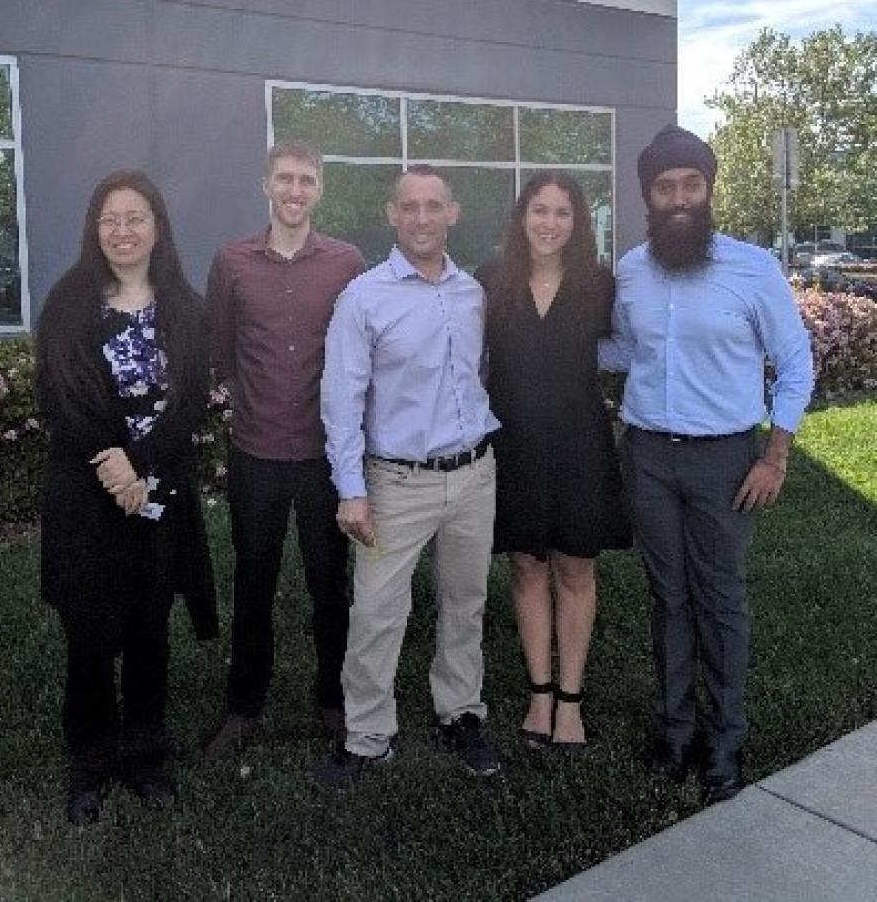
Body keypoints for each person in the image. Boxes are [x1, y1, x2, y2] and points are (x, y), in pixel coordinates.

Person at [600, 125, 814, 802]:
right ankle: (675, 728)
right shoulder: (631, 268)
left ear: (709, 188)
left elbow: (796, 361)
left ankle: (725, 737)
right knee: (667, 596)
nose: (679, 197)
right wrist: (542, 347)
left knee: (720, 598)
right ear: (647, 197)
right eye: (665, 187)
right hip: (649, 456)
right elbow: (626, 353)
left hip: (726, 459)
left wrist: (775, 455)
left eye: (691, 183)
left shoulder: (752, 267)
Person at [36, 170, 217, 826]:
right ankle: (89, 764)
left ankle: (145, 756)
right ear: (95, 228)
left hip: (158, 493)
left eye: (136, 217)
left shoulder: (186, 308)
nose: (123, 230)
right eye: (110, 218)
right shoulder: (68, 302)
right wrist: (113, 463)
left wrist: (140, 464)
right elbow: (57, 396)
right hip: (86, 495)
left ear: (157, 226)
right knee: (88, 634)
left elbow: (191, 398)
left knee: (148, 633)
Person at [317, 165, 501, 785]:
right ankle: (368, 734)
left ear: (454, 213)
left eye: (434, 205)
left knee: (465, 602)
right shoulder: (364, 297)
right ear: (392, 215)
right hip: (396, 482)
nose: (422, 217)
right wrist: (352, 490)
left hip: (474, 474)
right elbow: (341, 400)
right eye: (409, 206)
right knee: (375, 611)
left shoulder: (471, 293)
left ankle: (460, 712)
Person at [202, 142, 365, 757]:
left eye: (306, 180)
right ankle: (243, 709)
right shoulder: (231, 262)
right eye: (284, 179)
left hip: (326, 454)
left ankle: (334, 701)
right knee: (254, 584)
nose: (295, 190)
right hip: (257, 452)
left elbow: (361, 349)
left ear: (319, 189)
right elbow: (220, 344)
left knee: (330, 584)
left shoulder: (347, 262)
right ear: (265, 184)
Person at [478, 171, 630, 750]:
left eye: (562, 212)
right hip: (512, 446)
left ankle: (571, 701)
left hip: (580, 446)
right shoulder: (492, 281)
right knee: (526, 568)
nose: (549, 223)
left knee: (574, 569)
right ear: (522, 218)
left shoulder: (599, 285)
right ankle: (538, 694)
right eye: (539, 210)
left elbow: (631, 347)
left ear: (578, 222)